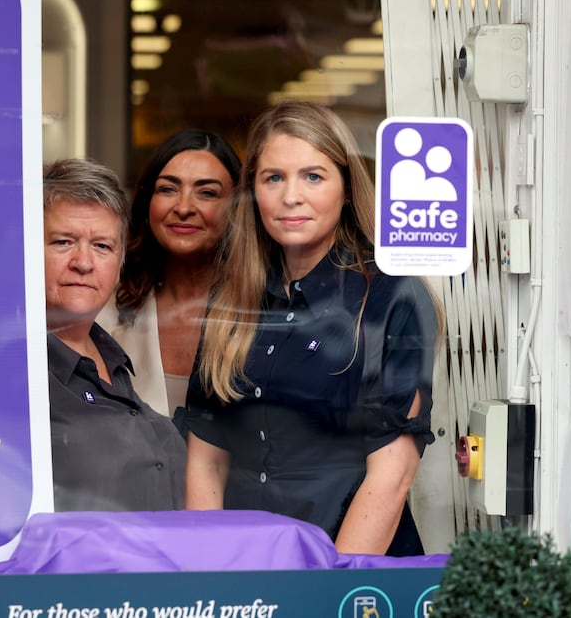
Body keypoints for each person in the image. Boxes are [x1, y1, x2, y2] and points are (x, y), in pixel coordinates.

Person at [184, 102, 440, 556]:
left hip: (348, 577)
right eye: (274, 177)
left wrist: (326, 593)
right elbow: (206, 460)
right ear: (253, 192)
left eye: (313, 176)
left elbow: (392, 476)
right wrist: (211, 570)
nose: (291, 196)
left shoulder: (392, 296)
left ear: (345, 190)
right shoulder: (232, 297)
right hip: (246, 570)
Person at [44, 158, 186, 512]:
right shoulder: (11, 376)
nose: (84, 262)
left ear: (121, 262)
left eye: (102, 246)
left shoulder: (114, 360)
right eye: (63, 242)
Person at [98, 130, 241, 418]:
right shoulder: (102, 308)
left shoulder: (263, 310)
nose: (184, 207)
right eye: (168, 189)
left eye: (207, 193)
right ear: (147, 201)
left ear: (238, 210)